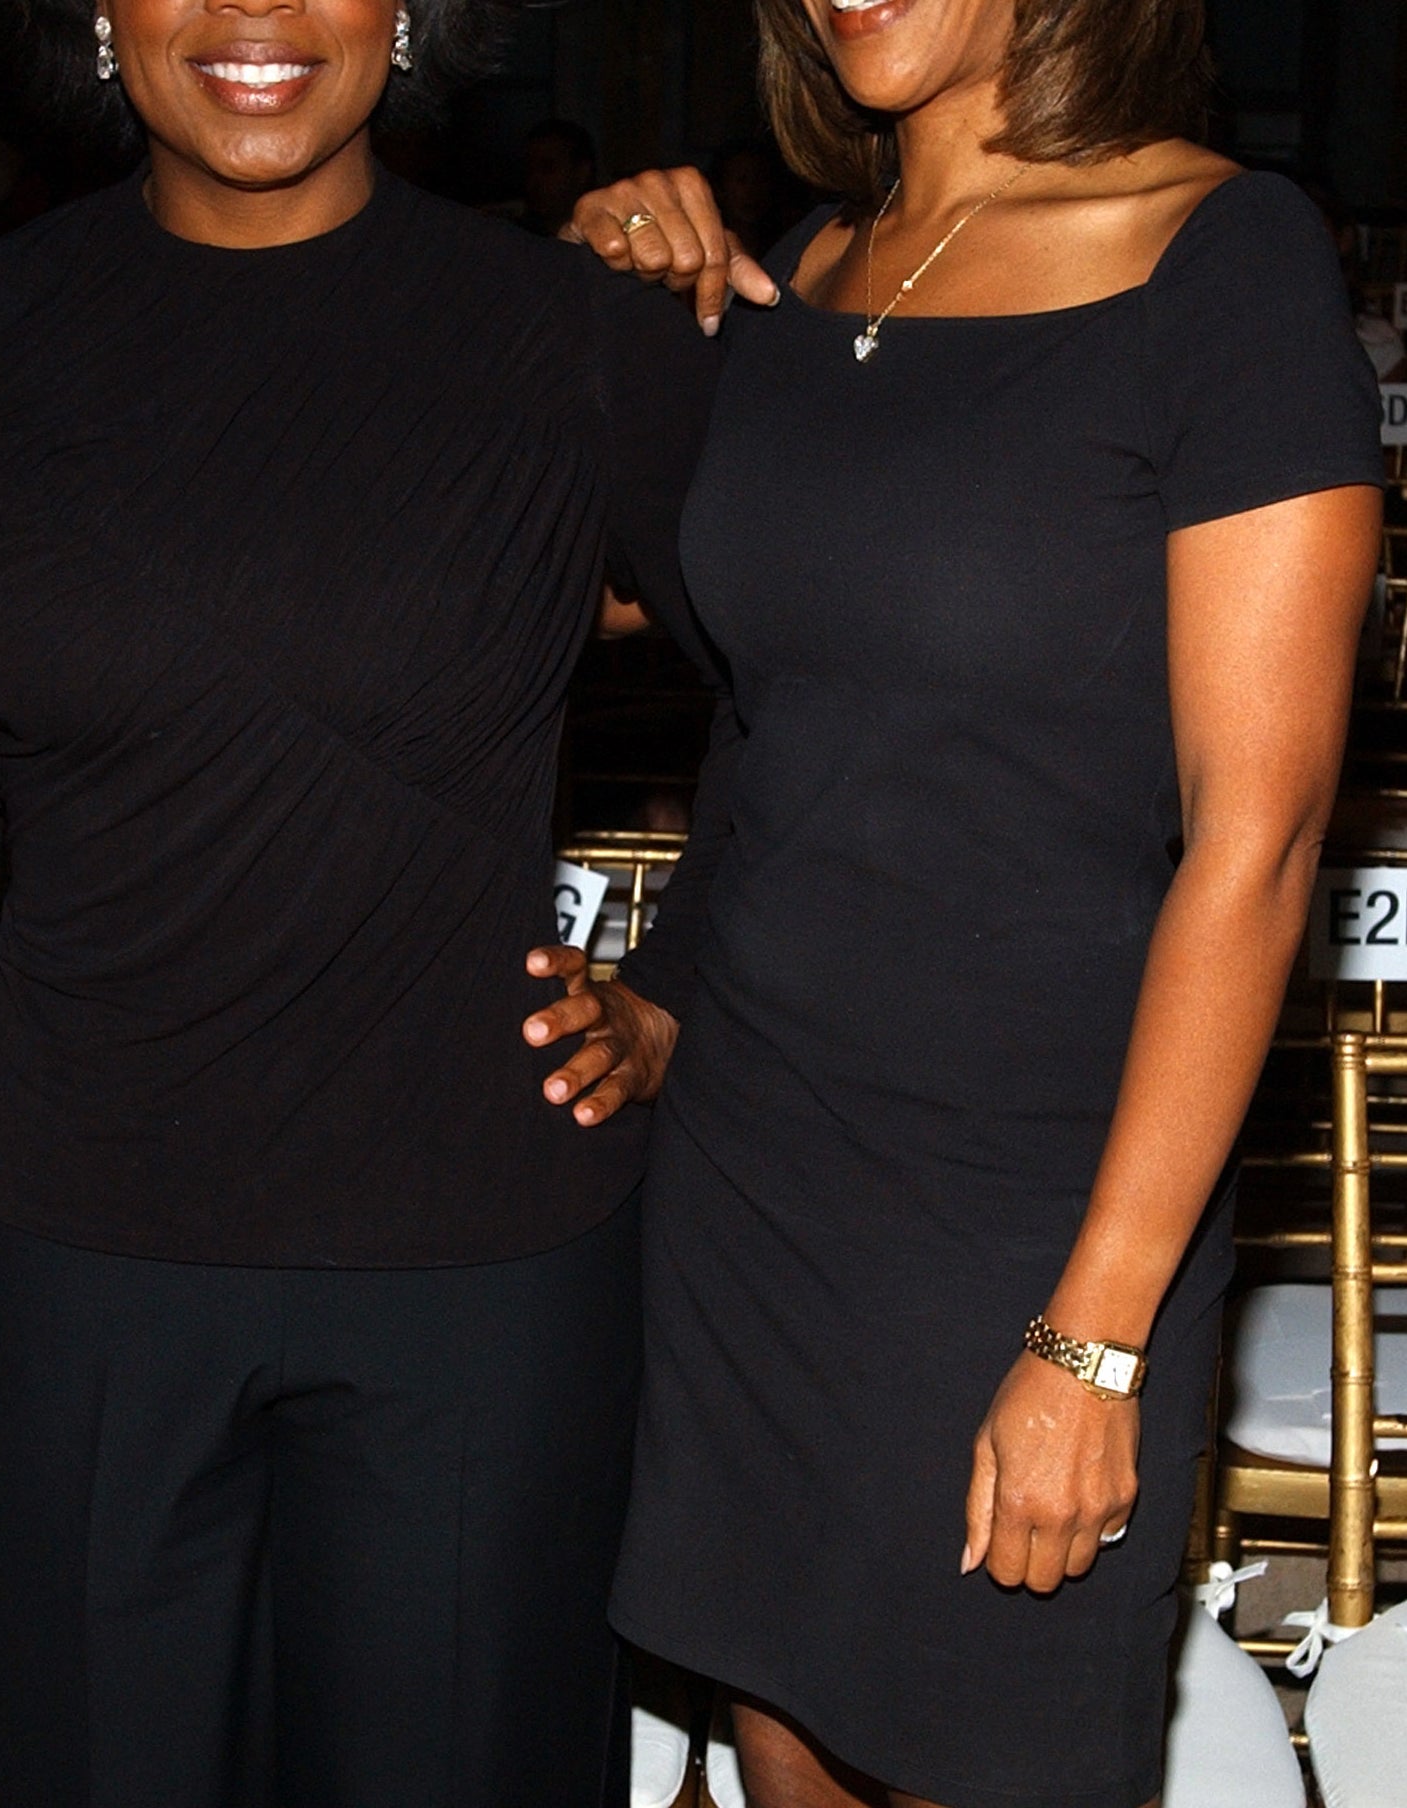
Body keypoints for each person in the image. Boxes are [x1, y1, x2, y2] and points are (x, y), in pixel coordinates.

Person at [0, 2, 714, 1803]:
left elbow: (837, 696)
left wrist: (682, 983)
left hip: (479, 1281)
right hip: (57, 1267)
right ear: (96, 14)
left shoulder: (572, 330)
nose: (255, 16)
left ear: (411, 17)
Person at [525, 1, 1385, 1804]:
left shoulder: (1221, 260)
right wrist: (593, 291)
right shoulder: (803, 267)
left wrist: (1096, 1332)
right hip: (754, 1189)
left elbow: (1264, 841)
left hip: (1037, 1207)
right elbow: (769, 728)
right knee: (788, 1755)